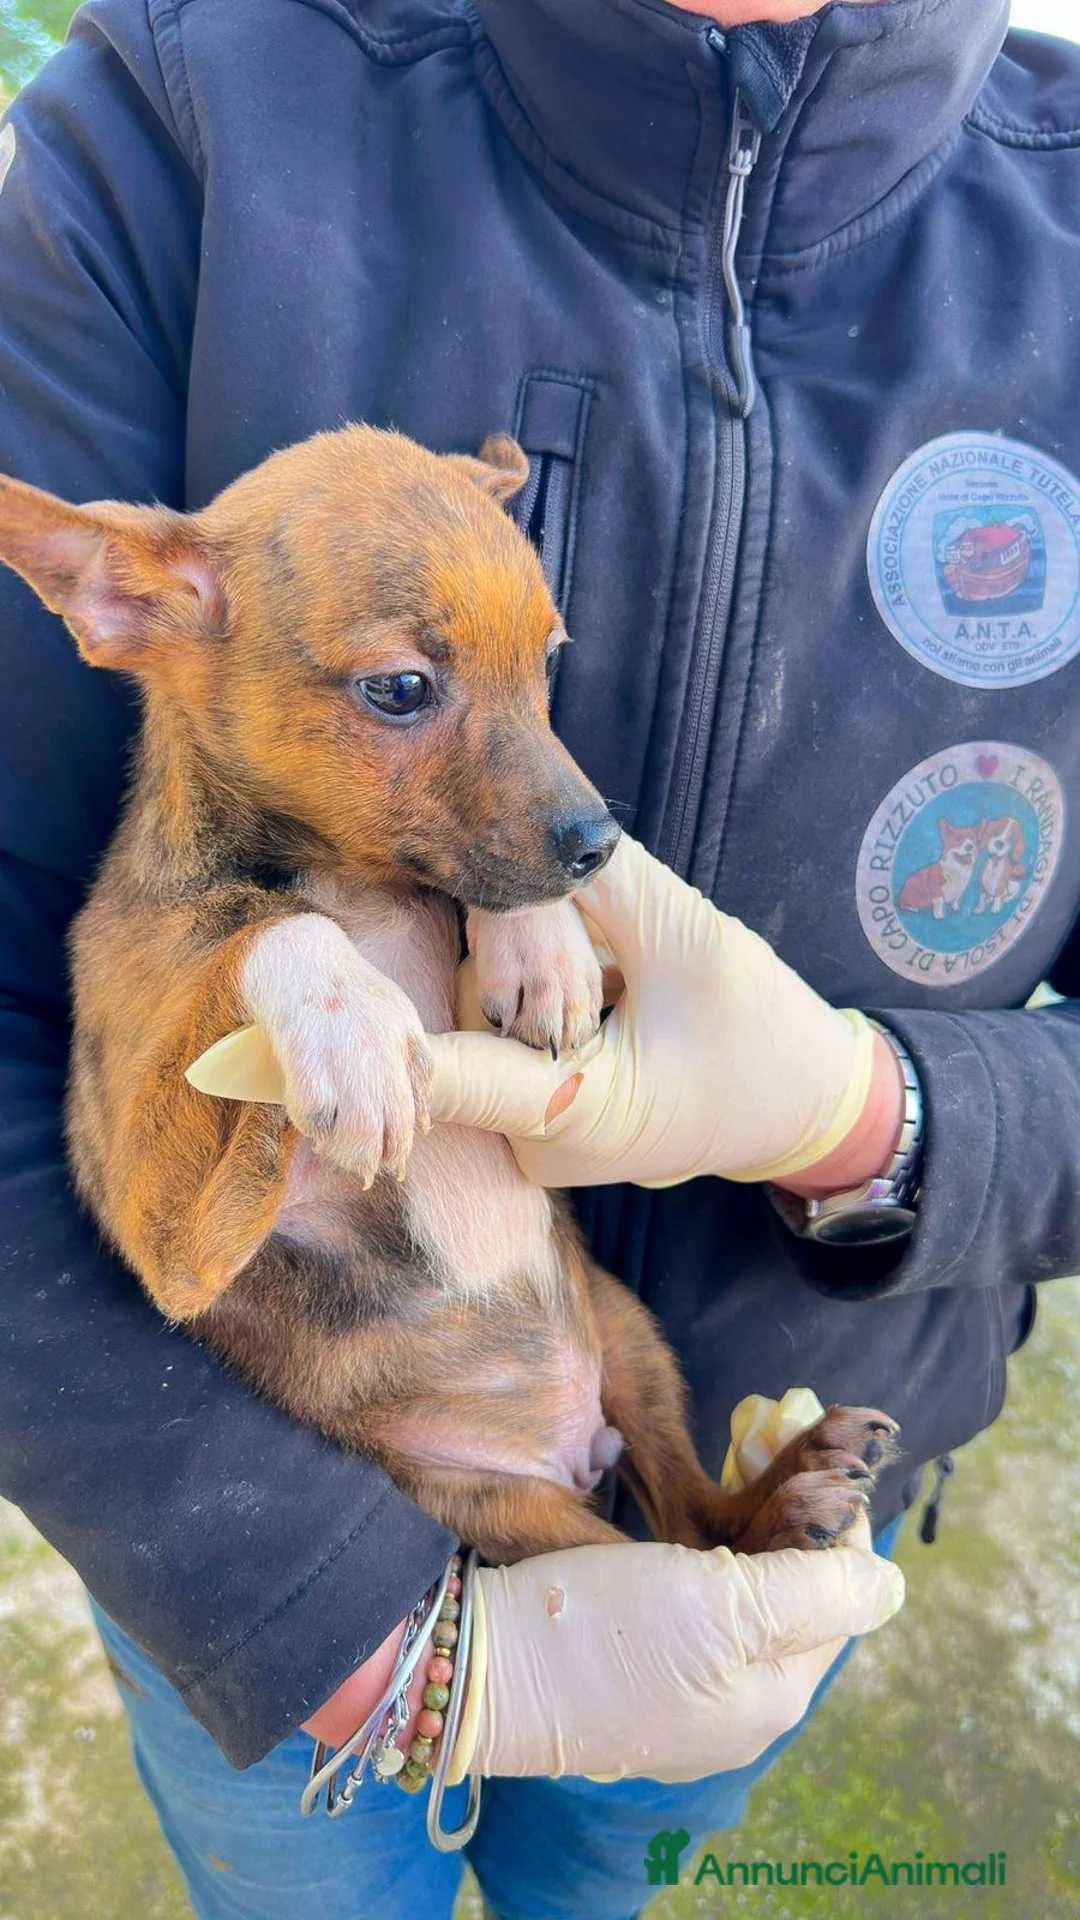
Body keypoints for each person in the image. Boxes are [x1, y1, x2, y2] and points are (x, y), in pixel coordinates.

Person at [0, 0, 1075, 1911]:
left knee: (611, 1881)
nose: (560, 806)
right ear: (128, 595)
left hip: (720, 1446)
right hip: (292, 1534)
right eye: (404, 692)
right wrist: (323, 1622)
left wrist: (878, 1113)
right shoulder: (172, 126)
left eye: (523, 675)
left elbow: (517, 781)